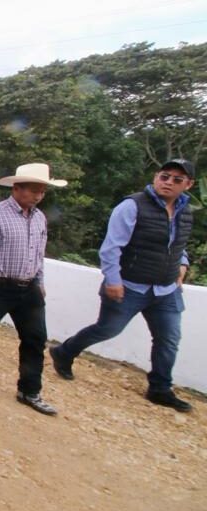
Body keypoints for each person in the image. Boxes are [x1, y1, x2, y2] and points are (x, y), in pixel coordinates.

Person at [50, 159, 195, 413]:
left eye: (177, 179)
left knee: (169, 339)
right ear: (156, 177)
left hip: (165, 290)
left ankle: (160, 388)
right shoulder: (132, 206)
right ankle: (64, 352)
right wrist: (113, 280)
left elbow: (179, 244)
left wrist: (182, 264)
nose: (168, 182)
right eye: (165, 176)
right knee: (107, 329)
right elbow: (111, 247)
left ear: (188, 185)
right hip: (130, 285)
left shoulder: (186, 211)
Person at [0, 164, 66, 416]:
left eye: (42, 191)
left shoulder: (40, 218)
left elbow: (39, 253)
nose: (38, 195)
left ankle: (29, 391)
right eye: (34, 190)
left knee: (35, 338)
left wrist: (39, 281)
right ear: (17, 188)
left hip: (29, 288)